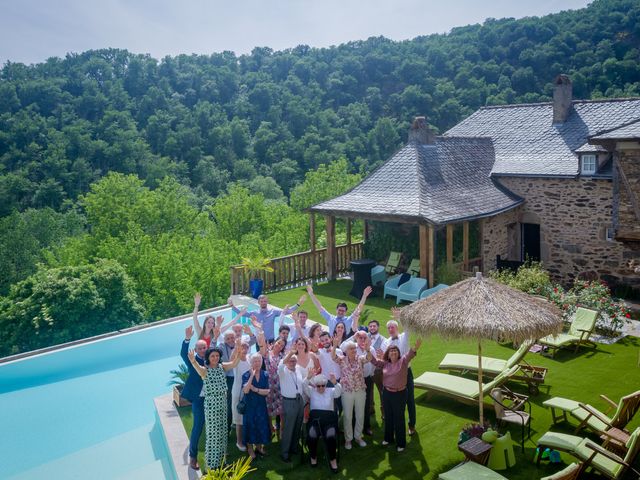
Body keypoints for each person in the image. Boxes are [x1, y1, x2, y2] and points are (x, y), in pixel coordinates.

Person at [188, 337, 242, 471]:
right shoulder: (204, 371)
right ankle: (211, 466)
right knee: (213, 435)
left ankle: (221, 462)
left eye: (217, 355)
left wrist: (239, 353)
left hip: (223, 404)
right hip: (211, 406)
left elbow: (234, 363)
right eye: (213, 356)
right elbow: (195, 365)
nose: (215, 358)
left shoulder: (222, 367)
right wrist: (193, 360)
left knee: (223, 433)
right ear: (208, 357)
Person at [368, 338, 421, 452]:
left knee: (399, 418)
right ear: (388, 354)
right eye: (391, 351)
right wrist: (368, 350)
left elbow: (410, 355)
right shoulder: (385, 364)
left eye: (395, 351)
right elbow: (374, 361)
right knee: (388, 416)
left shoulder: (403, 361)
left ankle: (401, 443)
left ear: (398, 353)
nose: (393, 352)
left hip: (400, 394)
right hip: (387, 393)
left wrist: (415, 347)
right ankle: (388, 438)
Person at [381, 307, 417, 435]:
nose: (391, 329)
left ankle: (411, 425)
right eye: (389, 328)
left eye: (393, 327)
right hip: (393, 376)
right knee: (395, 402)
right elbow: (384, 359)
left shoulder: (403, 337)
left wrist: (399, 317)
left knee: (410, 400)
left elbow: (407, 328)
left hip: (406, 373)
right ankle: (397, 426)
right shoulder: (386, 342)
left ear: (397, 328)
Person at [181, 326, 210, 470]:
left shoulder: (212, 359)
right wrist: (187, 338)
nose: (203, 350)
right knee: (198, 427)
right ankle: (193, 456)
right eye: (200, 348)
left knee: (211, 426)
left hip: (211, 399)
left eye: (205, 347)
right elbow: (182, 353)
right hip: (199, 400)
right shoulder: (192, 360)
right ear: (196, 350)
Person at [332, 337, 368, 449]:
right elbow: (333, 357)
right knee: (347, 416)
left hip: (360, 391)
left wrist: (368, 349)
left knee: (360, 415)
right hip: (347, 392)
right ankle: (348, 439)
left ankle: (358, 437)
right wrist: (334, 346)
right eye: (351, 348)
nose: (353, 350)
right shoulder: (342, 360)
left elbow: (369, 358)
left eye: (354, 348)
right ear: (346, 351)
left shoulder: (360, 359)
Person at [302, 372, 342, 473]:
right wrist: (308, 377)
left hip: (329, 421)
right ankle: (313, 457)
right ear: (315, 385)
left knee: (331, 436)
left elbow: (338, 392)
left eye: (323, 385)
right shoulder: (312, 391)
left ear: (325, 385)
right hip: (315, 421)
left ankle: (333, 460)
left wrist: (335, 383)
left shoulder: (330, 391)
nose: (320, 388)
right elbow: (303, 385)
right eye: (318, 386)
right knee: (312, 436)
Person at [341, 330, 377, 435]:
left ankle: (366, 427)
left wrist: (371, 373)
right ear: (357, 338)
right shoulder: (353, 347)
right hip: (353, 381)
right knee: (352, 406)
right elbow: (342, 346)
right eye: (360, 337)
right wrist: (353, 336)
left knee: (366, 405)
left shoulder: (371, 349)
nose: (362, 339)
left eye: (364, 337)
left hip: (367, 380)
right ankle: (351, 428)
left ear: (367, 339)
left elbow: (373, 362)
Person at [229, 294, 306, 343]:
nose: (263, 303)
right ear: (258, 302)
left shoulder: (273, 312)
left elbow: (286, 311)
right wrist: (232, 306)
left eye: (265, 301)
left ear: (267, 302)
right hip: (259, 340)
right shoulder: (254, 313)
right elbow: (242, 314)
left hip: (271, 340)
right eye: (262, 301)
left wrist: (298, 304)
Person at [306, 285, 372, 336]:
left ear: (346, 312)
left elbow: (359, 309)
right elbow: (319, 306)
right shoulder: (330, 318)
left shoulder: (349, 320)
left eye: (343, 311)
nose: (340, 312)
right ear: (336, 310)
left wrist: (364, 295)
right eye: (339, 310)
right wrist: (311, 294)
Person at [242, 352, 271, 460]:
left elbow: (267, 391)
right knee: (250, 426)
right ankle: (250, 449)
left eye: (259, 361)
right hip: (249, 406)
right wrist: (252, 376)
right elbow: (245, 390)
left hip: (261, 405)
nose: (257, 363)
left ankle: (259, 447)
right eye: (254, 361)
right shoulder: (245, 375)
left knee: (260, 426)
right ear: (251, 363)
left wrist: (256, 390)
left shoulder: (265, 374)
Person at [277, 349, 305, 462]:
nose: (292, 363)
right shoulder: (282, 370)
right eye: (290, 360)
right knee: (289, 428)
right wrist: (289, 354)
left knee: (298, 425)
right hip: (289, 402)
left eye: (294, 361)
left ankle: (294, 448)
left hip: (299, 400)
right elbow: (280, 365)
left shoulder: (298, 369)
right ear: (287, 361)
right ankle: (285, 452)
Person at [262, 337, 285, 438]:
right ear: (275, 342)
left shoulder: (283, 356)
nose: (279, 346)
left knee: (281, 410)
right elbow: (261, 345)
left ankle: (282, 431)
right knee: (269, 408)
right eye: (278, 343)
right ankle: (271, 428)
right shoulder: (267, 353)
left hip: (280, 385)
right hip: (269, 384)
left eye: (282, 345)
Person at [231, 339, 252, 451]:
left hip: (248, 392)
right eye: (242, 347)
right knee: (239, 419)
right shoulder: (236, 359)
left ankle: (247, 439)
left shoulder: (249, 359)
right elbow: (231, 359)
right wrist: (237, 347)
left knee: (247, 418)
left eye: (245, 347)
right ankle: (239, 442)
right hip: (237, 392)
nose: (244, 349)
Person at [217, 331, 238, 431]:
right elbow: (213, 350)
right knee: (230, 402)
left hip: (240, 377)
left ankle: (238, 424)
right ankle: (227, 427)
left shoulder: (239, 344)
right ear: (224, 340)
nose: (230, 340)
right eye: (228, 338)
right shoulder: (221, 347)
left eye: (232, 337)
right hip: (229, 378)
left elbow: (253, 340)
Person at [367, 319, 387, 420]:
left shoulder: (384, 340)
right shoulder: (364, 338)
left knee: (382, 391)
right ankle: (371, 409)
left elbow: (383, 356)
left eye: (374, 326)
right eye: (370, 326)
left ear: (378, 327)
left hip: (378, 371)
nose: (372, 328)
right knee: (369, 391)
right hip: (367, 370)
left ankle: (384, 411)